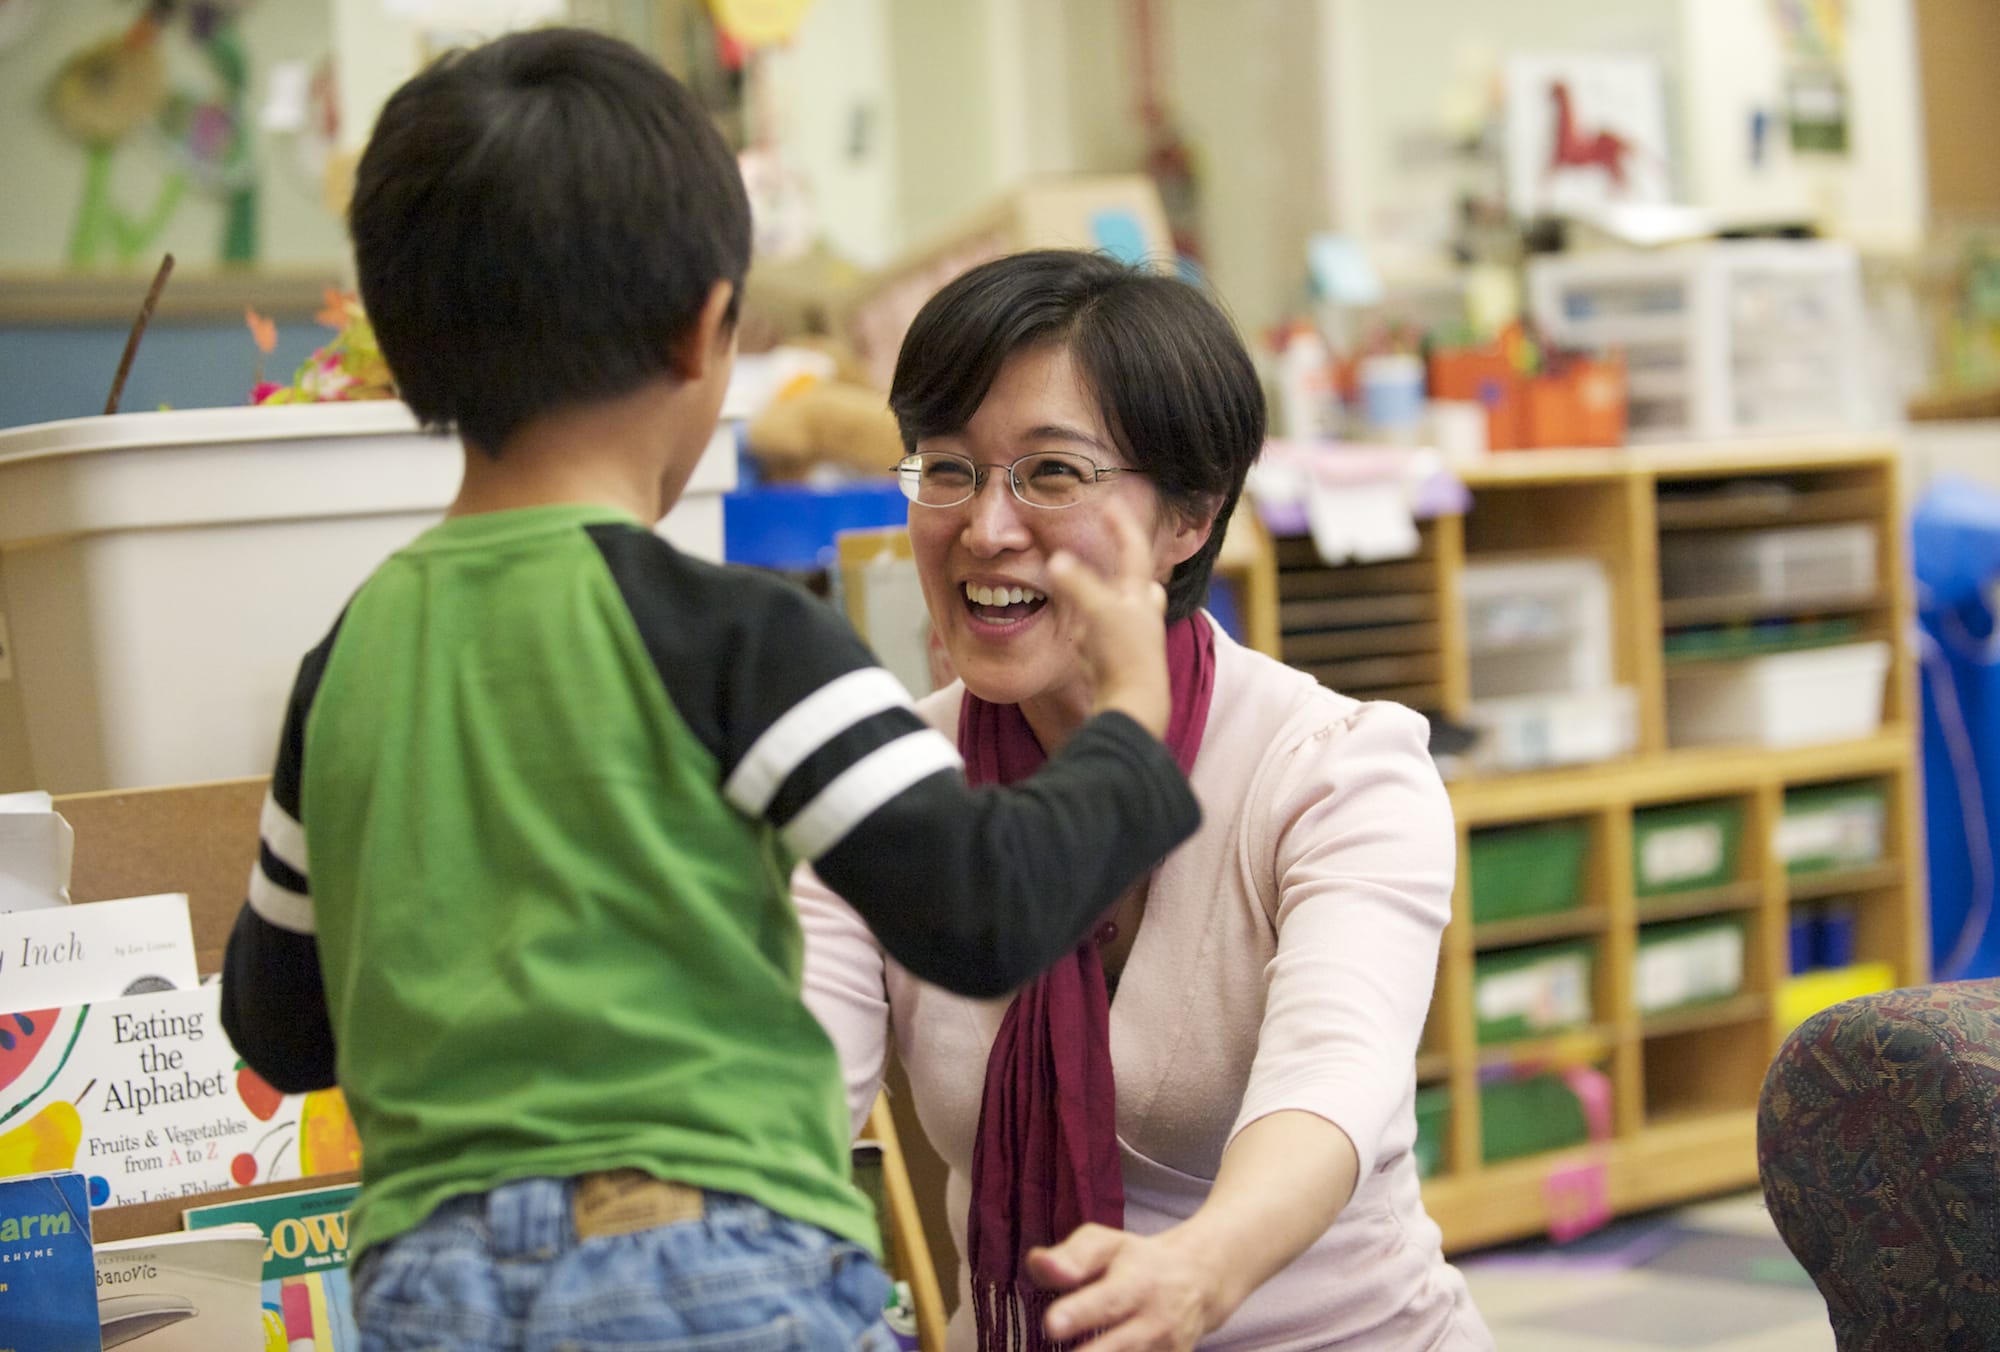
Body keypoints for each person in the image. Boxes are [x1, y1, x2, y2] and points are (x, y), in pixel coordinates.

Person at [217, 31, 1206, 1351]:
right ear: (705, 329)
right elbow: (988, 907)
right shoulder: (726, 635)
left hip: (425, 1283)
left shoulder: (347, 662)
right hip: (701, 1259)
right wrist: (1133, 715)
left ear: (398, 339)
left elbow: (277, 1026)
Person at [799, 250, 1493, 1351]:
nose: (984, 527)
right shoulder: (882, 785)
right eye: (946, 469)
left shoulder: (1336, 766)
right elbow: (792, 1103)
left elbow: (1331, 1081)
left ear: (1187, 515)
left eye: (1050, 474)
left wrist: (1197, 1270)